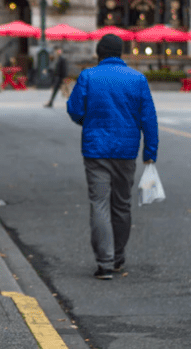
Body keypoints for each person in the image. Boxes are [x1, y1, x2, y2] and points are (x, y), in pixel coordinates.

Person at [66, 34, 158, 280]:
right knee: (122, 204)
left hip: (96, 150)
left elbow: (74, 109)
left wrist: (86, 122)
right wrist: (150, 152)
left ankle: (104, 263)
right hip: (126, 151)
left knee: (100, 204)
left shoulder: (88, 76)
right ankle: (117, 256)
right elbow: (148, 119)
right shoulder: (138, 79)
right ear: (121, 52)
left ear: (99, 53)